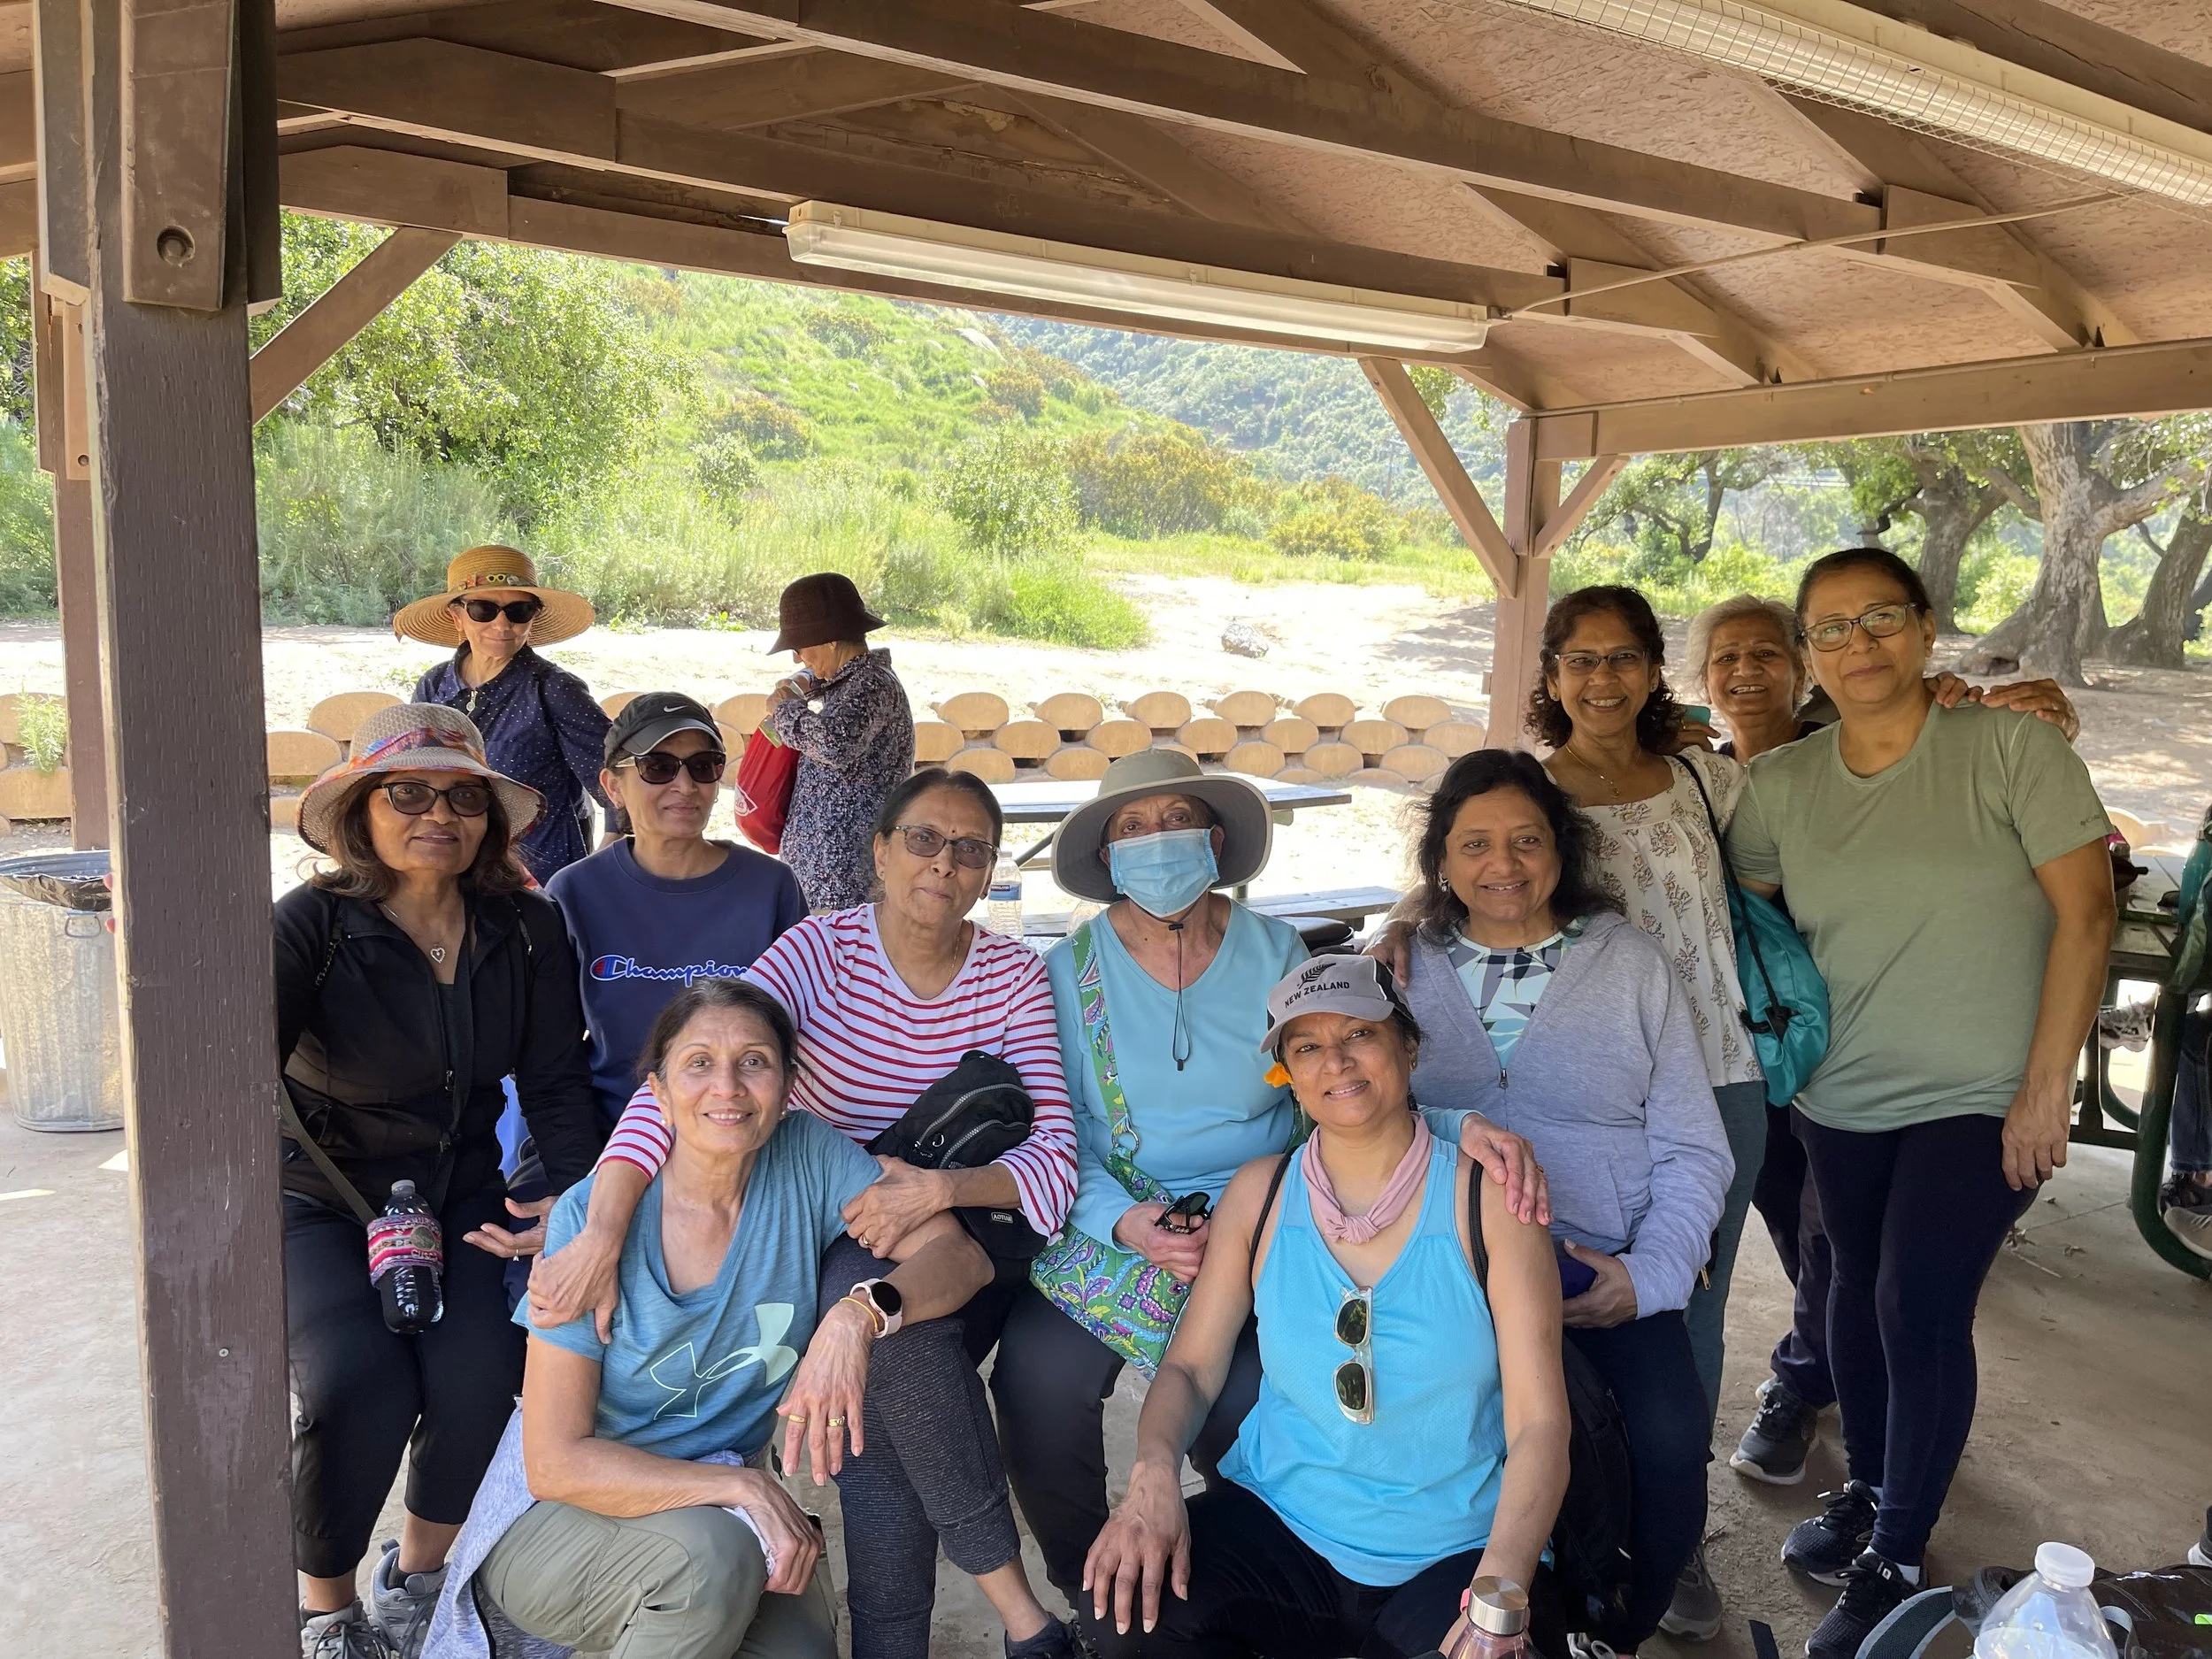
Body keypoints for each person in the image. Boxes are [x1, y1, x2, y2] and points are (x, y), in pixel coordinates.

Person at [529, 767, 1079, 1659]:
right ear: (880, 852)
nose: (944, 863)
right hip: (838, 1217)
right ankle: (1024, 1628)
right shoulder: (819, 952)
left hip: (965, 1226)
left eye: (969, 848)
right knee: (884, 1373)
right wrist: (603, 1222)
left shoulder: (1011, 972)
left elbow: (1053, 1161)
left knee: (882, 1352)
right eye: (923, 839)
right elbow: (699, 1064)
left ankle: (988, 1631)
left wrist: (937, 1190)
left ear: (989, 872)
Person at [992, 749, 1548, 1610]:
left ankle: (1257, 1576)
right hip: (1118, 1224)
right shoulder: (1069, 972)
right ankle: (1092, 1585)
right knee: (1036, 1383)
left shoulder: (1274, 950)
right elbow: (1059, 1137)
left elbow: (1339, 1081)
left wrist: (1450, 1124)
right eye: (1133, 827)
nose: (1157, 838)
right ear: (1106, 856)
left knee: (1253, 1401)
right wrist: (1127, 1222)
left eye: (1177, 819)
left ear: (1214, 840)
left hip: (1272, 1218)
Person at [1726, 547, 2115, 1659]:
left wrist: (2045, 1090)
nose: (1858, 644)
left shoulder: (2009, 747)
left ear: (1926, 625)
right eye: (1831, 628)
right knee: (1851, 1287)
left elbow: (2087, 916)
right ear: (1808, 654)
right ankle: (1872, 1488)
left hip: (1985, 1092)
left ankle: (1896, 1554)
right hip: (1842, 1092)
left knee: (1915, 1301)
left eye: (1880, 618)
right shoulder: (1781, 787)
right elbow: (1741, 918)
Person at [420, 979, 996, 1659]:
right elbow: (555, 1463)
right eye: (699, 1062)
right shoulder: (591, 1222)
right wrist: (742, 1485)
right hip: (563, 1514)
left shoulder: (808, 1158)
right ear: (659, 1094)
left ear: (788, 1087)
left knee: (797, 1649)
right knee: (708, 1565)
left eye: (754, 1060)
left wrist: (858, 1315)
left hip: (715, 1516)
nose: (727, 1085)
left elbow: (961, 1257)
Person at [1683, 592, 2089, 1493]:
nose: (1745, 671)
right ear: (1702, 680)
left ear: (1802, 666)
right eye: (1725, 659)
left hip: (1864, 1050)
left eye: (1766, 653)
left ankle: (1814, 1389)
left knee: (1856, 1255)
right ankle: (1852, 1396)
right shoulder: (1696, 775)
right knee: (1797, 1223)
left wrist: (2022, 713)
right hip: (1752, 1050)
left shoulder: (1876, 737)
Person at [1081, 954, 1572, 1659]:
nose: (1335, 1061)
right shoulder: (1260, 1193)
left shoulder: (1490, 1199)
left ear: (1408, 1045)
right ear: (1288, 1074)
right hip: (1286, 1523)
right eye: (1307, 1046)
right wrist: (1153, 1469)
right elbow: (1189, 1368)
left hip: (1453, 1547)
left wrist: (1498, 1596)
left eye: (1359, 1033)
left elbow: (1540, 1425)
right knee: (1126, 1615)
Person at [274, 703, 603, 1659]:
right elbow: (230, 1078)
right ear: (360, 812)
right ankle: (328, 1610)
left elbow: (554, 1080)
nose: (438, 815)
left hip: (459, 1189)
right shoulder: (312, 926)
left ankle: (416, 1581)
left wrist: (582, 1204)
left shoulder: (527, 926)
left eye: (463, 798)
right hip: (322, 1195)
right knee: (355, 1380)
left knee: (483, 1374)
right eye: (407, 793)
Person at [1394, 749, 1732, 1655]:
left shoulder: (1630, 963)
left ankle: (1621, 1627)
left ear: (1561, 847)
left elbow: (1695, 1147)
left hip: (1597, 1271)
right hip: (1452, 1267)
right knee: (1467, 1446)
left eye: (1526, 839)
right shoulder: (1401, 967)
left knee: (1666, 1445)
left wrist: (1647, 1277)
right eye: (1474, 844)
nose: (1502, 864)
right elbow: (1361, 1112)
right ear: (1440, 859)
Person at [541, 691, 806, 1129]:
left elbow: (798, 1035)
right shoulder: (574, 893)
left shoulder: (772, 888)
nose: (685, 786)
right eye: (658, 767)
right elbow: (552, 1056)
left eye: (703, 766)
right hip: (611, 1129)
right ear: (612, 786)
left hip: (738, 1129)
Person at [398, 546, 614, 885]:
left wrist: (603, 861)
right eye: (483, 609)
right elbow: (415, 778)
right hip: (455, 867)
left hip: (539, 874)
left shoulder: (554, 689)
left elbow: (616, 778)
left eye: (519, 610)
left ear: (533, 617)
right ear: (457, 617)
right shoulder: (434, 685)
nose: (502, 624)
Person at [763, 571, 916, 911]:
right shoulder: (853, 683)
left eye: (799, 647)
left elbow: (833, 743)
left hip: (845, 883)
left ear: (830, 639)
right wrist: (803, 682)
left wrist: (785, 710)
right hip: (829, 880)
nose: (797, 657)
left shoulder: (871, 684)